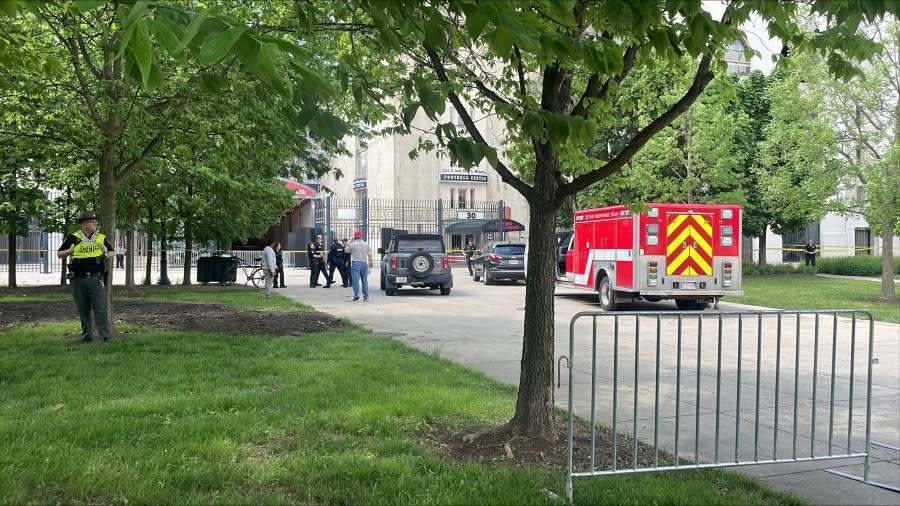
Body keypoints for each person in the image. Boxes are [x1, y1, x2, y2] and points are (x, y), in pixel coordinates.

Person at [57, 211, 115, 343]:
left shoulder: (101, 237)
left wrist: (106, 252)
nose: (95, 224)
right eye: (92, 221)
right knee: (83, 309)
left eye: (96, 221)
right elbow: (60, 254)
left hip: (96, 279)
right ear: (84, 224)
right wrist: (70, 251)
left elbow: (112, 252)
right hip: (77, 279)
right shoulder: (73, 237)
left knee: (100, 308)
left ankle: (104, 337)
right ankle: (87, 336)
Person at [346, 230, 372, 301]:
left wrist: (349, 243)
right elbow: (370, 254)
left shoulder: (352, 244)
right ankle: (366, 297)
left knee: (355, 280)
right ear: (361, 236)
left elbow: (346, 250)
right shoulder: (366, 244)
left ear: (355, 237)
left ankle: (356, 296)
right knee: (364, 281)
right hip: (364, 263)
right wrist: (370, 262)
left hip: (356, 263)